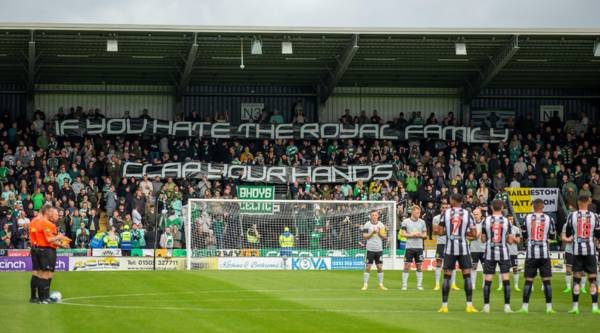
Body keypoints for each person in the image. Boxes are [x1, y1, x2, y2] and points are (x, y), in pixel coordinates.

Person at [436, 193, 479, 313]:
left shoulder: (446, 213)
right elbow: (475, 234)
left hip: (450, 248)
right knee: (467, 276)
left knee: (447, 276)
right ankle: (469, 306)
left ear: (454, 201)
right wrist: (464, 234)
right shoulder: (468, 214)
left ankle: (444, 306)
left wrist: (449, 233)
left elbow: (439, 231)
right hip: (463, 248)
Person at [562, 194, 600, 314]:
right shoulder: (595, 216)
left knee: (577, 278)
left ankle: (575, 307)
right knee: (592, 278)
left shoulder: (572, 215)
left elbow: (568, 233)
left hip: (576, 250)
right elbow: (598, 234)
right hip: (590, 250)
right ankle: (594, 307)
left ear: (578, 202)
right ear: (589, 202)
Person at [517, 199, 557, 314]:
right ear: (543, 207)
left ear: (533, 207)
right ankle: (549, 308)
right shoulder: (549, 218)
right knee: (547, 281)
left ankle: (524, 307)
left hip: (531, 254)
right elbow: (553, 235)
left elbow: (524, 234)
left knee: (528, 281)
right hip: (544, 253)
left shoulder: (527, 218)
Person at [29, 205, 70, 304]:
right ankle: (44, 297)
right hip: (47, 250)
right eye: (52, 212)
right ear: (47, 212)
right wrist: (60, 238)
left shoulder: (34, 221)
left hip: (35, 248)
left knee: (37, 273)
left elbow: (35, 236)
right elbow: (49, 240)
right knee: (46, 273)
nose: (53, 215)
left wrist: (60, 244)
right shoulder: (47, 223)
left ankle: (34, 297)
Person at [480, 199, 515, 313]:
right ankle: (507, 307)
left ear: (491, 207)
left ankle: (486, 307)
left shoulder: (486, 220)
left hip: (490, 252)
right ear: (502, 208)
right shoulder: (506, 221)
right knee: (505, 278)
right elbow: (510, 241)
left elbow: (483, 239)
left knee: (488, 279)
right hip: (503, 252)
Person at [401, 206, 427, 290]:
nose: (418, 214)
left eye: (419, 213)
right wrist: (412, 235)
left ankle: (419, 285)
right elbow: (402, 234)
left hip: (419, 247)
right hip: (409, 247)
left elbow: (425, 235)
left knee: (419, 266)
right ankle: (404, 285)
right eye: (417, 213)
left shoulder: (422, 222)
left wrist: (421, 235)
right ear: (412, 212)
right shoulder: (405, 222)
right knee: (407, 266)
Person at [433, 202, 458, 291]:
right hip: (441, 243)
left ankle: (453, 284)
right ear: (440, 208)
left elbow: (455, 231)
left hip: (451, 243)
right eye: (443, 207)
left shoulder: (453, 218)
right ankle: (437, 284)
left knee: (453, 264)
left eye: (446, 207)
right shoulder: (436, 218)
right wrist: (447, 232)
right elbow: (435, 231)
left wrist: (442, 232)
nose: (444, 209)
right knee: (439, 263)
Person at [361, 210, 387, 291]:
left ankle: (381, 284)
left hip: (379, 249)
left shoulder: (381, 225)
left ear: (378, 216)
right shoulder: (367, 225)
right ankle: (365, 285)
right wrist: (372, 233)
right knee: (368, 267)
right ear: (370, 216)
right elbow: (364, 236)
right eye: (373, 215)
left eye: (376, 215)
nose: (374, 216)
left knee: (379, 267)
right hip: (370, 249)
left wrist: (379, 233)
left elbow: (384, 237)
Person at [499, 215, 522, 292]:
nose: (510, 221)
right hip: (504, 252)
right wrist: (507, 237)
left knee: (515, 269)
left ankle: (516, 285)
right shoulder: (503, 228)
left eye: (511, 219)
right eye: (509, 219)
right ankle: (500, 286)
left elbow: (518, 241)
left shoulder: (516, 229)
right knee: (502, 269)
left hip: (513, 252)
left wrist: (512, 237)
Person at [470, 208, 486, 290]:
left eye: (476, 214)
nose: (475, 215)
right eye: (474, 214)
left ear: (480, 214)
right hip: (474, 249)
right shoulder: (470, 223)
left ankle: (484, 285)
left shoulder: (485, 222)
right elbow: (468, 236)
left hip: (484, 249)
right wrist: (473, 237)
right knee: (473, 267)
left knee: (485, 267)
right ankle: (473, 285)